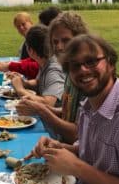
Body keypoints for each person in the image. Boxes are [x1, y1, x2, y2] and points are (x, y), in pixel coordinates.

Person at [28, 34, 119, 184]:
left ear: (110, 63)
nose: (83, 70)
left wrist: (76, 167)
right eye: (74, 66)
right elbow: (87, 151)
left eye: (91, 61)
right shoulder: (88, 106)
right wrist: (58, 147)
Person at [16, 12, 88, 143]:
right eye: (55, 42)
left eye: (66, 40)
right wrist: (40, 108)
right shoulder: (70, 71)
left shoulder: (87, 78)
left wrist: (41, 109)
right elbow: (69, 112)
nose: (59, 46)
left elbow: (76, 134)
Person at [11, 25, 65, 107]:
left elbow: (49, 103)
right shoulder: (45, 61)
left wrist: (20, 90)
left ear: (31, 51)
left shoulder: (54, 70)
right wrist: (25, 83)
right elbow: (40, 82)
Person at [0, 12, 39, 79]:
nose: (21, 27)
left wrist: (10, 66)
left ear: (31, 22)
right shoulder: (25, 43)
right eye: (18, 26)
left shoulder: (37, 40)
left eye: (23, 24)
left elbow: (36, 65)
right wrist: (12, 66)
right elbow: (25, 62)